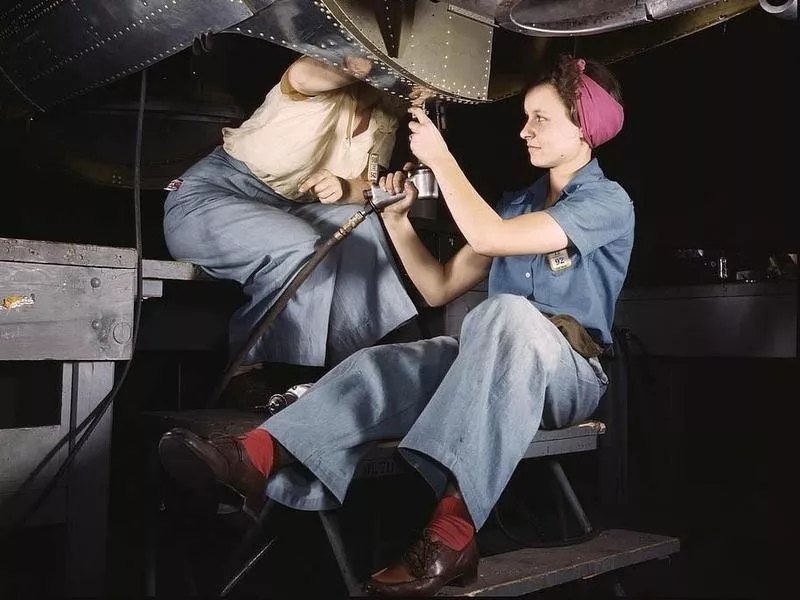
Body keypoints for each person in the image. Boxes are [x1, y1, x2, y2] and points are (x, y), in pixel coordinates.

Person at [158, 53, 634, 596]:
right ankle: (253, 459)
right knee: (386, 362)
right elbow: (437, 286)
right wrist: (396, 218)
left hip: (567, 376)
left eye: (541, 119)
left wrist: (443, 160)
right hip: (492, 360)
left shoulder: (607, 202)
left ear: (584, 129)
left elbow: (490, 240)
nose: (524, 131)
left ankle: (452, 534)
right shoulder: (515, 203)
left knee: (503, 313)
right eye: (524, 116)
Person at [161, 55, 418, 399]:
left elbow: (364, 186)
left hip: (290, 210)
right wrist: (360, 63)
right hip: (211, 198)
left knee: (361, 227)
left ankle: (359, 367)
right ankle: (246, 372)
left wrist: (343, 188)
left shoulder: (387, 113)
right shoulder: (315, 78)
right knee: (299, 244)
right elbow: (302, 76)